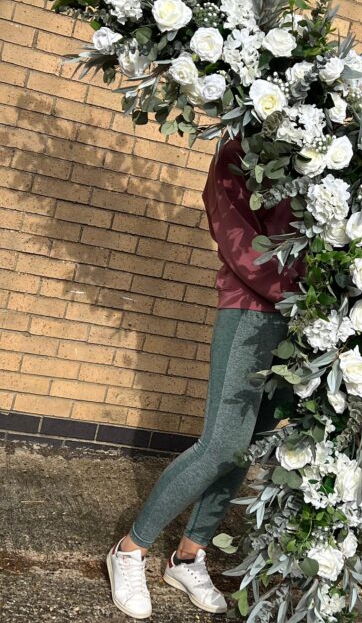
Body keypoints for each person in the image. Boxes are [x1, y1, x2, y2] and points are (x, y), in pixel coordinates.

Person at [106, 134, 304, 620]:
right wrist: (302, 290)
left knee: (251, 443)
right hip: (254, 310)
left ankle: (189, 555)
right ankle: (130, 548)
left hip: (308, 325)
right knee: (221, 443)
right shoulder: (243, 146)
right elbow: (237, 239)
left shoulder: (318, 151)